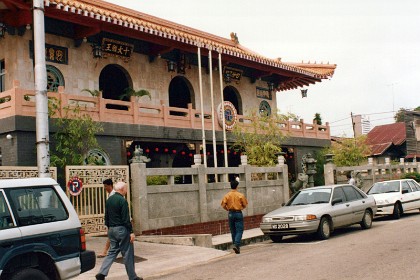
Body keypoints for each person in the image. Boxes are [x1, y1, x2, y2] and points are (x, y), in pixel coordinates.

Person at [96, 181, 142, 280]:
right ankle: (133, 277)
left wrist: (109, 229)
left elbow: (106, 216)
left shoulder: (109, 200)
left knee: (112, 252)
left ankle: (102, 272)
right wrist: (131, 232)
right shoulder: (122, 201)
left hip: (112, 229)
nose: (126, 190)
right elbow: (126, 218)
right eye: (125, 188)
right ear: (121, 189)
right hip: (122, 230)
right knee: (127, 253)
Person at [220, 178, 248, 254]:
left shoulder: (227, 195)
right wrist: (240, 208)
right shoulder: (240, 195)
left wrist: (227, 209)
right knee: (239, 230)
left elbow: (223, 204)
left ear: (230, 186)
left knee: (233, 231)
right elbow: (245, 204)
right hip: (238, 213)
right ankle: (236, 244)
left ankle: (236, 246)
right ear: (237, 186)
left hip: (230, 213)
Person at [97, 179, 115, 258]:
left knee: (112, 236)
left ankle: (105, 252)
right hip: (113, 221)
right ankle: (105, 251)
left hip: (114, 221)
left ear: (110, 185)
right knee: (111, 237)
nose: (105, 188)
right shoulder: (111, 195)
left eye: (105, 186)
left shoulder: (114, 195)